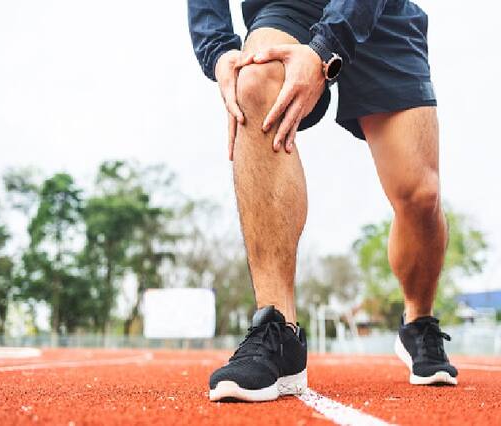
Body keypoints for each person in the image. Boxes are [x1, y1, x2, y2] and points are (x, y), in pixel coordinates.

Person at [187, 0, 458, 402]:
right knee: (255, 81)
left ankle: (418, 321)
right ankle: (278, 329)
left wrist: (325, 47)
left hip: (379, 12)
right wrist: (218, 51)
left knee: (420, 195)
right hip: (288, 7)